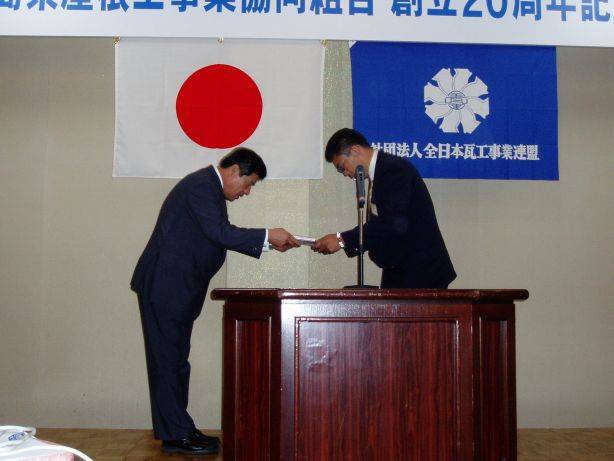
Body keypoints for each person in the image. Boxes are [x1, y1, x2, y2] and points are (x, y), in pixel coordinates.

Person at [130, 147, 299, 455]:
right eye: (249, 184)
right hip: (166, 288)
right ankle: (177, 435)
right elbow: (219, 233)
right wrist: (266, 236)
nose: (247, 192)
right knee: (168, 363)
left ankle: (178, 430)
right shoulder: (201, 186)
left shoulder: (206, 188)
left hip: (174, 290)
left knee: (174, 362)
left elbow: (214, 235)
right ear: (234, 171)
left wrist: (268, 242)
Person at [313, 128, 456, 289]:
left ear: (355, 150)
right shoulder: (381, 172)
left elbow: (392, 223)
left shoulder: (394, 170)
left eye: (342, 167)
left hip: (421, 272)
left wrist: (342, 239)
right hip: (401, 269)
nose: (345, 173)